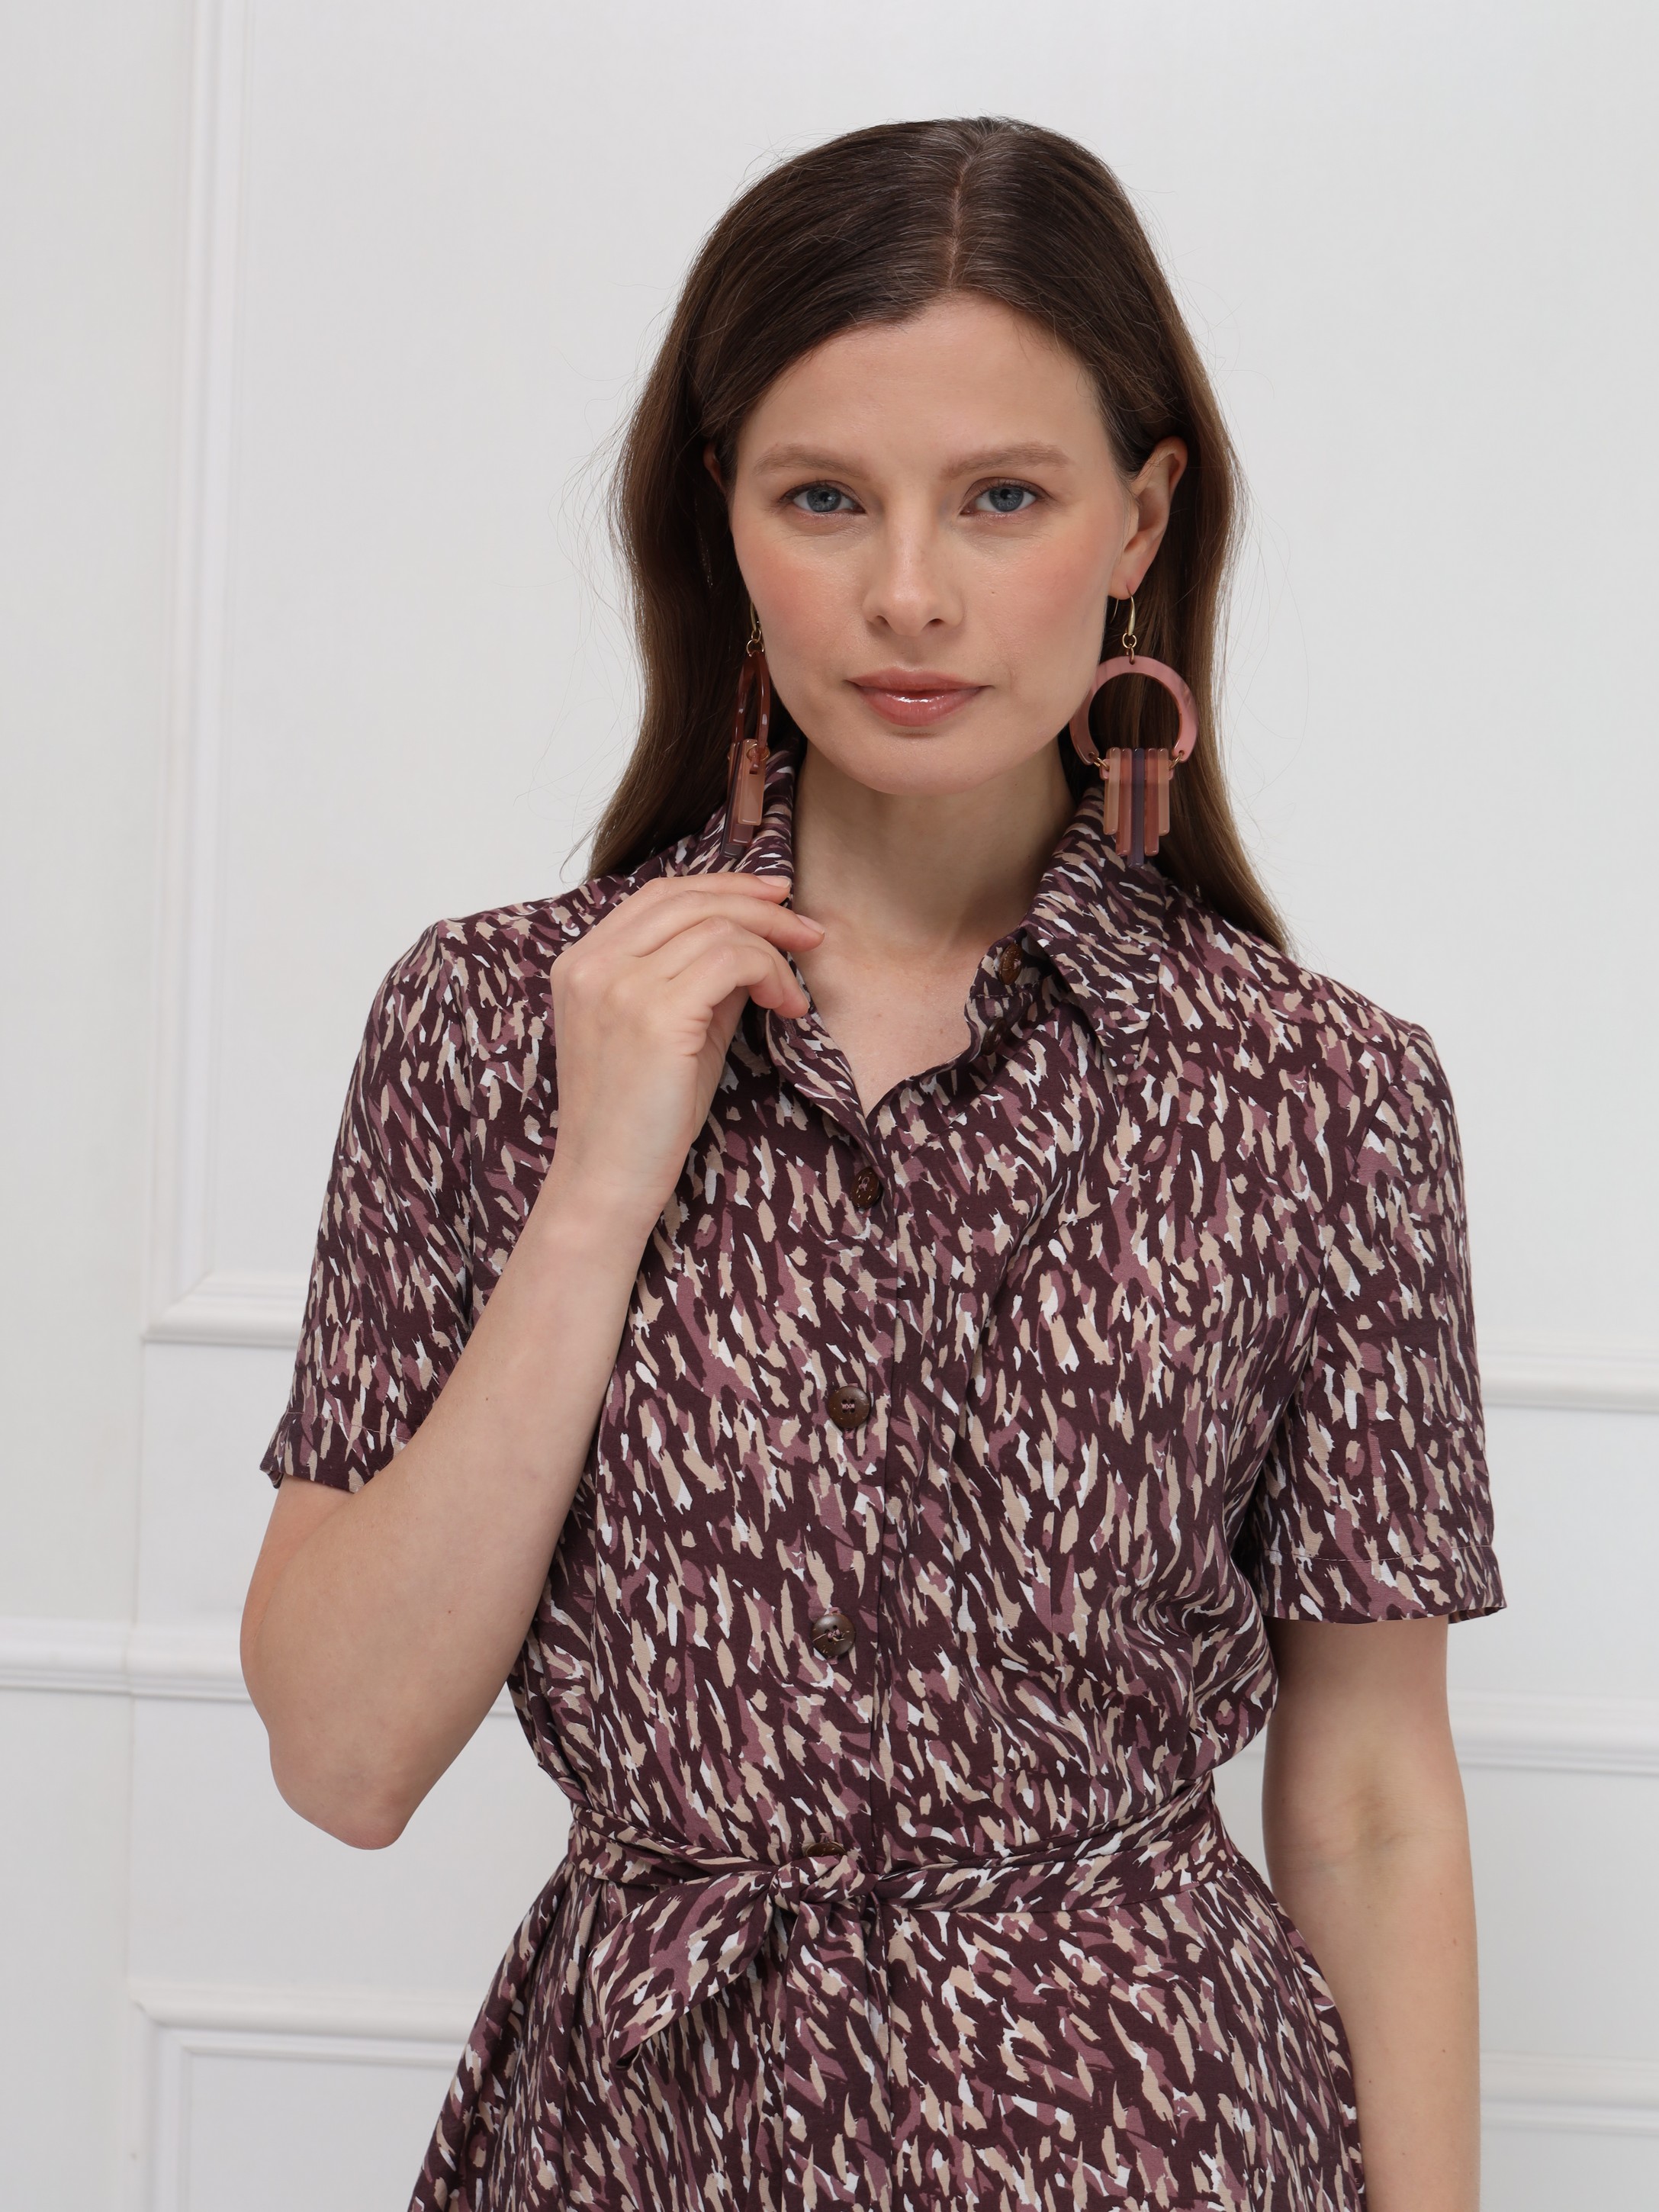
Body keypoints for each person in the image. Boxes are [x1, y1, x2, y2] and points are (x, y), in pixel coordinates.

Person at [240, 117, 1504, 2212]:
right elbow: (344, 1757)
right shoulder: (488, 1024)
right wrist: (601, 1181)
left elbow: (1372, 1794)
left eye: (1002, 496)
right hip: (642, 2139)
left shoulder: (1320, 1093)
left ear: (1139, 517)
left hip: (1149, 2138)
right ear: (723, 519)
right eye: (823, 496)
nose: (909, 591)